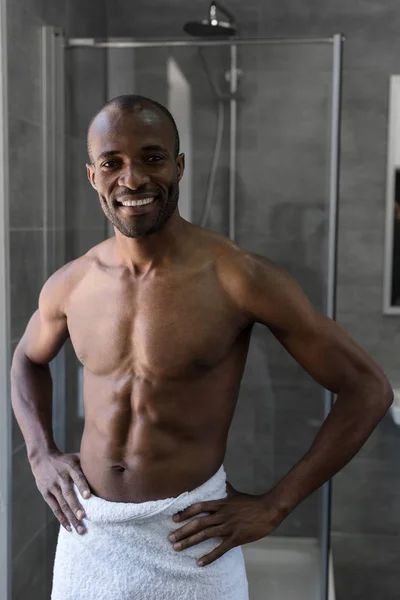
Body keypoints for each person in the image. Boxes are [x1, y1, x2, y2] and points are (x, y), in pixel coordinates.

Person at [11, 94, 393, 600]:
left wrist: (276, 505)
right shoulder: (73, 284)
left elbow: (368, 388)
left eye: (152, 157)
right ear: (92, 176)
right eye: (112, 163)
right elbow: (25, 359)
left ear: (179, 166)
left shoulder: (237, 276)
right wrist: (40, 454)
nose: (133, 179)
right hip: (91, 534)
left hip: (193, 539)